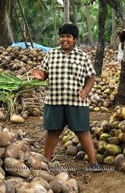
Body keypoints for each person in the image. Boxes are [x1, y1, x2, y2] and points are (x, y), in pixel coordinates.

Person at [32, 23, 101, 171]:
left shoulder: (82, 56)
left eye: (68, 36)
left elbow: (91, 77)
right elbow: (44, 74)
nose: (65, 39)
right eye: (62, 36)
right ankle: (46, 160)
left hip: (76, 101)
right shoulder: (51, 54)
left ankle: (93, 162)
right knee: (53, 131)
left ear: (75, 39)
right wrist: (40, 76)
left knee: (82, 131)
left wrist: (85, 91)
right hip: (54, 100)